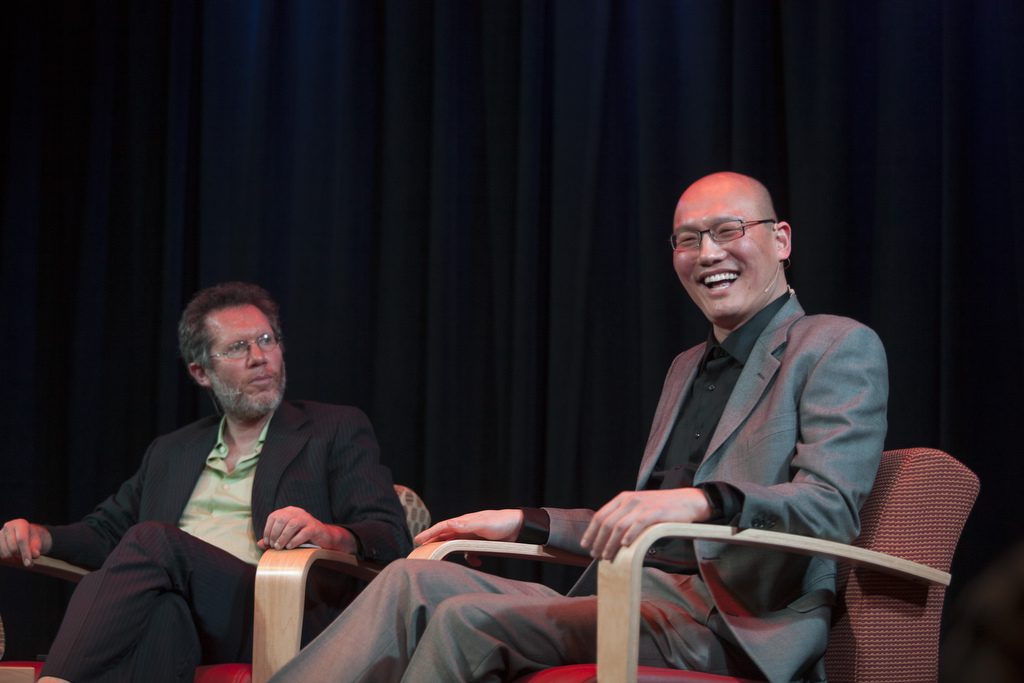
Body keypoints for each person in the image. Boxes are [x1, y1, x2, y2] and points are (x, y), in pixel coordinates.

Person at [267, 172, 889, 683]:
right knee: (410, 579)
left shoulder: (834, 345)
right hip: (628, 593)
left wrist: (703, 500)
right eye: (687, 239)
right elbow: (638, 522)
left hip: (734, 625)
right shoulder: (684, 367)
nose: (708, 254)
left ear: (781, 239)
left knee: (466, 620)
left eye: (729, 231)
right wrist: (523, 521)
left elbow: (830, 508)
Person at [0, 281, 412, 682]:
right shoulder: (171, 451)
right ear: (201, 372)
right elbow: (106, 534)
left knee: (152, 539)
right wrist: (42, 537)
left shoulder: (333, 428)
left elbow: (391, 534)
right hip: (188, 618)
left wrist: (328, 534)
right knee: (164, 615)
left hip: (275, 610)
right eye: (238, 347)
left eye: (266, 340)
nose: (259, 357)